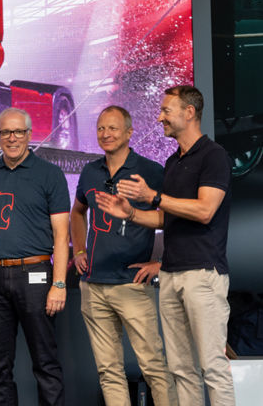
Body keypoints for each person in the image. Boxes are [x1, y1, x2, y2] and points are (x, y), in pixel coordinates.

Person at [97, 85, 235, 405]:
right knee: (181, 369)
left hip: (203, 275)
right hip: (171, 276)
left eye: (166, 111)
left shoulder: (214, 156)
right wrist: (131, 213)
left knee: (212, 367)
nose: (160, 117)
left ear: (189, 113)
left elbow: (204, 211)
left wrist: (154, 197)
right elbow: (165, 219)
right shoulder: (173, 162)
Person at [0, 107, 69, 406]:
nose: (13, 138)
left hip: (35, 275)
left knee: (46, 363)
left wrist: (59, 284)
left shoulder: (49, 174)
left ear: (29, 135)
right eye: (6, 132)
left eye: (19, 132)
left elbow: (62, 235)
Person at [70, 106, 173, 406]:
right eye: (101, 128)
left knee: (153, 367)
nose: (106, 134)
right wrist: (78, 250)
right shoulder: (90, 171)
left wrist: (160, 263)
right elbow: (78, 212)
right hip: (93, 285)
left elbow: (174, 217)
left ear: (129, 133)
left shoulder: (151, 170)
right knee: (108, 371)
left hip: (131, 284)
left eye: (113, 128)